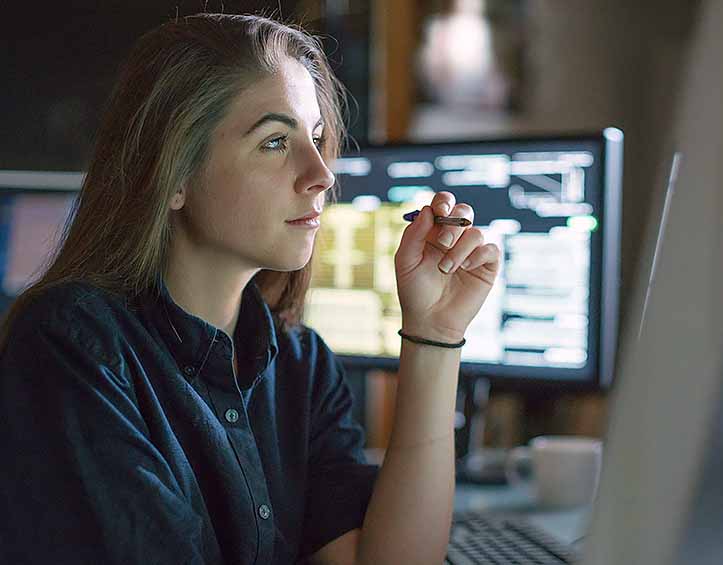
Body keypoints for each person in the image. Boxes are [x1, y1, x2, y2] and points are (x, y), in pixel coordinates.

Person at [0, 12, 500, 565]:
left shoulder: (301, 364)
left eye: (315, 138)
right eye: (274, 142)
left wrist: (434, 334)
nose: (322, 174)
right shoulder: (74, 346)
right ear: (174, 176)